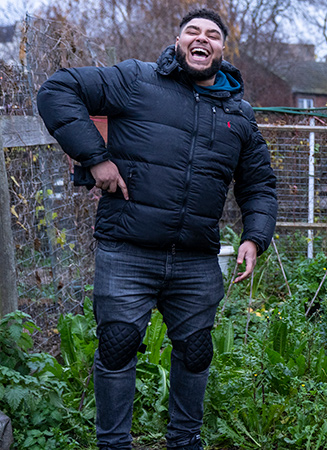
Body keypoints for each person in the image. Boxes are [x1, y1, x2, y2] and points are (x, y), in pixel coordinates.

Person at [36, 8, 277, 450]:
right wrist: (95, 158)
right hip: (127, 249)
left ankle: (185, 441)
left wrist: (254, 236)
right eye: (192, 31)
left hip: (196, 258)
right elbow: (58, 90)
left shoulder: (239, 114)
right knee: (117, 345)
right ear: (178, 41)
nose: (200, 38)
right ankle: (113, 444)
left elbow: (259, 184)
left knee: (197, 351)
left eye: (211, 35)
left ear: (223, 49)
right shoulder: (136, 80)